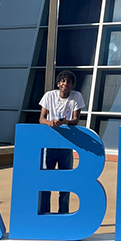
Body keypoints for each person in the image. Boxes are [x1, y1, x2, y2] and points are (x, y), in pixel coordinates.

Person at [38, 70, 85, 214]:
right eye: (63, 81)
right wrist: (50, 122)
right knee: (46, 179)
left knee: (65, 180)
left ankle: (63, 213)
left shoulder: (76, 96)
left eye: (68, 82)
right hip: (50, 143)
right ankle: (44, 212)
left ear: (72, 85)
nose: (65, 84)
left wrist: (66, 122)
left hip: (66, 144)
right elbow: (41, 119)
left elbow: (76, 119)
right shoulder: (49, 95)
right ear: (58, 83)